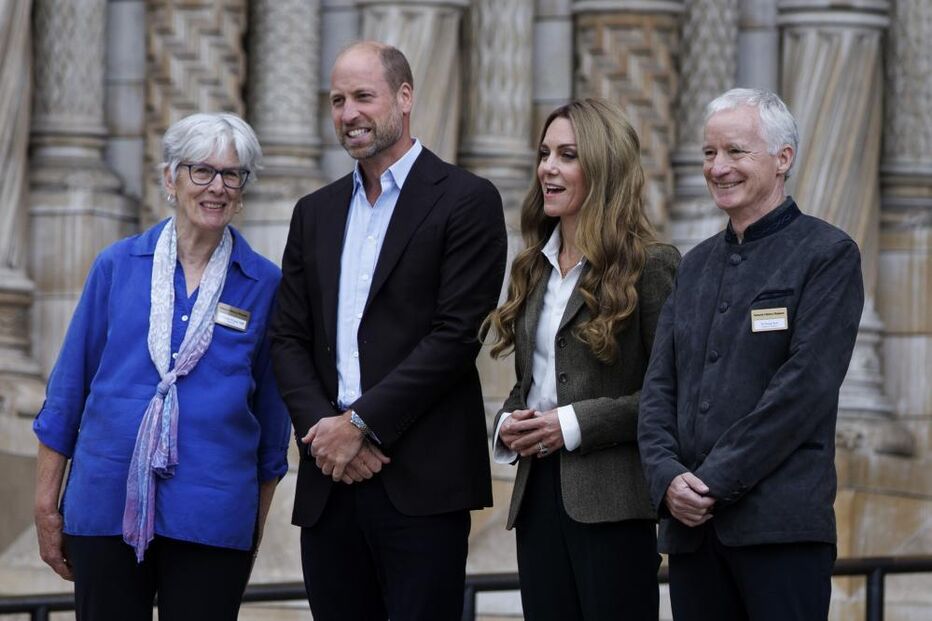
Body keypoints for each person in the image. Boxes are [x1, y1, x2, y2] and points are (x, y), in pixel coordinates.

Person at [270, 41, 507, 620]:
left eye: (362, 97)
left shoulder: (467, 200)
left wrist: (361, 424)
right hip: (330, 482)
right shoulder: (315, 211)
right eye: (337, 100)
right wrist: (326, 434)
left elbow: (456, 338)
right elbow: (287, 338)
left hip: (421, 483)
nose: (348, 113)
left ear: (404, 98)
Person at [32, 112, 290, 620]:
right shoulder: (116, 266)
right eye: (202, 171)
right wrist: (46, 504)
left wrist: (252, 527)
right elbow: (67, 392)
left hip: (212, 516)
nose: (217, 187)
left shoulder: (264, 284)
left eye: (232, 174)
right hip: (104, 507)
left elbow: (272, 423)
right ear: (170, 178)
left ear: (243, 189)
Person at [637, 88, 864, 620]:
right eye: (710, 154)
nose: (719, 168)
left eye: (736, 151)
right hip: (694, 536)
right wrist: (667, 479)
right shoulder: (692, 267)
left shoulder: (827, 255)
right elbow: (658, 390)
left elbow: (804, 388)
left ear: (783, 159)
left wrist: (711, 482)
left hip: (780, 531)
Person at [484, 98, 679, 620]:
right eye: (545, 153)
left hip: (613, 504)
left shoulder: (651, 266)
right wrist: (507, 425)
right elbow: (532, 385)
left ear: (603, 167)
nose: (548, 167)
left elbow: (668, 396)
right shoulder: (533, 266)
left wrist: (569, 425)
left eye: (567, 155)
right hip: (537, 495)